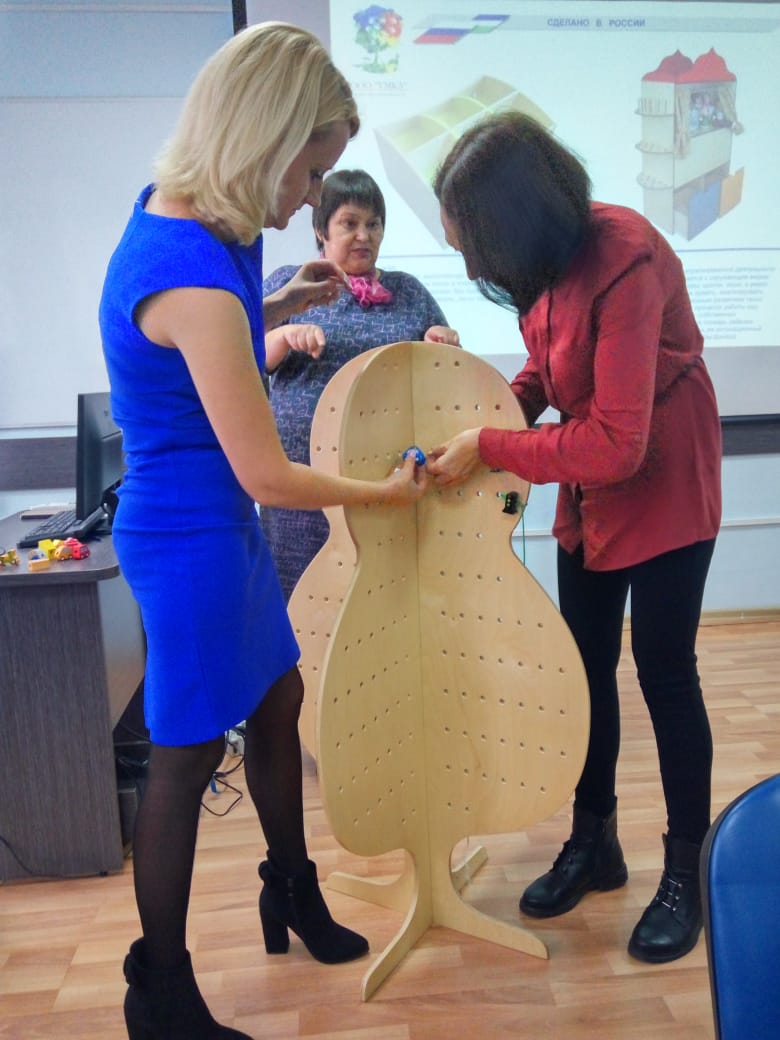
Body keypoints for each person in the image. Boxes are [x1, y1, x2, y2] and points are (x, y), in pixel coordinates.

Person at [98, 24, 427, 1040]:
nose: (311, 200)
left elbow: (210, 343)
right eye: (311, 171)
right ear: (263, 139)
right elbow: (267, 473)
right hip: (189, 536)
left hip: (217, 525)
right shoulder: (189, 271)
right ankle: (159, 988)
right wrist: (383, 494)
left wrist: (277, 298)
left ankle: (291, 889)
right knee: (187, 755)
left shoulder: (212, 227)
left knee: (278, 700)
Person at [427, 111, 722, 965]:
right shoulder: (545, 263)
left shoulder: (626, 259)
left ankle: (687, 872)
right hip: (592, 488)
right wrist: (499, 406)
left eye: (476, 247)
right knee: (584, 670)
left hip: (663, 477)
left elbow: (619, 442)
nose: (474, 268)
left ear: (518, 219)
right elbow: (550, 366)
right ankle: (595, 843)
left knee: (666, 674)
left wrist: (490, 446)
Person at [261, 168, 459, 600]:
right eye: (349, 223)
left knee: (380, 603)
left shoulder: (409, 292)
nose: (364, 235)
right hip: (302, 494)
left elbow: (447, 380)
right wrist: (283, 337)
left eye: (374, 224)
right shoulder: (289, 286)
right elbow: (245, 363)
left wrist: (442, 343)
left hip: (387, 485)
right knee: (300, 604)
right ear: (321, 229)